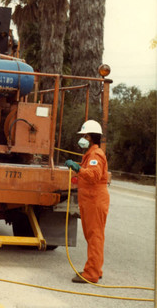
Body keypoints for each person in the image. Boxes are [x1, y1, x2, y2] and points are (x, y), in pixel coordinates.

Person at [65, 120, 110, 284]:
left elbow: (93, 175)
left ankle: (91, 273)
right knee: (93, 236)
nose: (82, 138)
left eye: (84, 135)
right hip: (91, 199)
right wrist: (78, 167)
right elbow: (89, 172)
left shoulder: (95, 155)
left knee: (94, 236)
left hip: (95, 199)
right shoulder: (91, 154)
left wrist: (77, 168)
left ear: (91, 137)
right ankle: (96, 269)